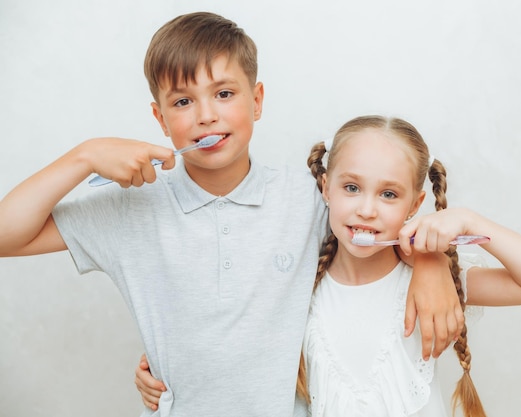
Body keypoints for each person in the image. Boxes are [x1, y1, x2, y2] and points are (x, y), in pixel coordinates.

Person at [0, 13, 463, 416]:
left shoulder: (308, 199)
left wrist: (430, 262)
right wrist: (82, 156)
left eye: (224, 93)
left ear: (256, 101)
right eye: (183, 101)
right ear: (160, 119)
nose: (206, 115)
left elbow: (379, 221)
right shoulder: (129, 209)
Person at [135, 115, 521, 416]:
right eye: (351, 187)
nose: (365, 209)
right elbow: (225, 331)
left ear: (416, 204)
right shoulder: (295, 287)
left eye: (388, 195)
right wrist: (162, 366)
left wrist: (467, 223)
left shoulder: (426, 287)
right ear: (325, 188)